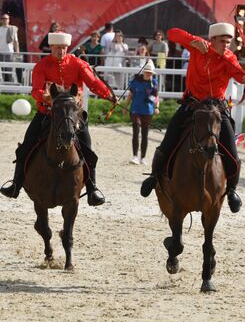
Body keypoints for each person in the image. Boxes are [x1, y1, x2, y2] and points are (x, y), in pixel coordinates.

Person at [140, 23, 245, 213]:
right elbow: (172, 32)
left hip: (216, 109)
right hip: (191, 105)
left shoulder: (229, 58)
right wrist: (192, 41)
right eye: (223, 41)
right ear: (213, 39)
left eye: (228, 42)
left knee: (232, 153)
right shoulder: (198, 46)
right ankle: (155, 176)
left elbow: (239, 74)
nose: (226, 45)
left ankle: (232, 190)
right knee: (168, 141)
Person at [0, 31, 116, 205]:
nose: (60, 51)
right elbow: (36, 90)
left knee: (88, 150)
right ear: (51, 48)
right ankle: (16, 184)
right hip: (47, 113)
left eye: (63, 48)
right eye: (57, 48)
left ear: (67, 48)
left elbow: (93, 82)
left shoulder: (78, 64)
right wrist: (46, 97)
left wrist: (108, 94)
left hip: (73, 115)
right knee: (25, 146)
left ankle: (92, 189)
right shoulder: (42, 65)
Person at [123, 60, 159, 165]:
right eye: (147, 72)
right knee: (136, 131)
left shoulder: (154, 84)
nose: (148, 74)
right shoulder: (136, 82)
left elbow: (156, 97)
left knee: (145, 134)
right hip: (135, 110)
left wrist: (157, 107)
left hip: (148, 111)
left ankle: (143, 157)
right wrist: (125, 106)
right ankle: (135, 156)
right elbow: (130, 95)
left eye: (150, 73)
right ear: (143, 72)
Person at [0, 13, 19, 82]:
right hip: (1, 53)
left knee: (10, 71)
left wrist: (17, 51)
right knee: (2, 72)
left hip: (9, 52)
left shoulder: (12, 29)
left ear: (9, 20)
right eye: (3, 18)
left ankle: (12, 88)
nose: (5, 20)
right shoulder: (0, 29)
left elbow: (16, 41)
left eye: (6, 18)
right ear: (1, 20)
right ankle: (4, 88)